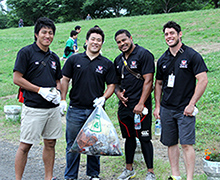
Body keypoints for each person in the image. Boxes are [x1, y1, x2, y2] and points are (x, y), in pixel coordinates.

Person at [60, 27, 118, 180]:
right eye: (93, 39)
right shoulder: (74, 59)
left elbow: (111, 84)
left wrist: (104, 98)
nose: (95, 42)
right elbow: (64, 79)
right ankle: (71, 176)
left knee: (94, 143)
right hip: (75, 109)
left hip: (96, 111)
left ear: (102, 43)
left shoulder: (106, 63)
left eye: (99, 40)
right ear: (86, 41)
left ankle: (93, 174)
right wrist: (62, 99)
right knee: (72, 144)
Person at [153, 21, 208, 180]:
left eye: (172, 33)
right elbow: (158, 83)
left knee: (186, 144)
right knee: (170, 143)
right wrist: (157, 106)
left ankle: (189, 178)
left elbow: (203, 80)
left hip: (185, 109)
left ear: (180, 34)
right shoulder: (163, 59)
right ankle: (175, 176)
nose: (169, 37)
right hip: (167, 109)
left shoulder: (192, 55)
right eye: (166, 34)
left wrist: (191, 104)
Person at [13, 17, 63, 180]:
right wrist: (39, 90)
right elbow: (17, 78)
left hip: (52, 110)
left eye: (50, 33)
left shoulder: (54, 57)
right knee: (25, 145)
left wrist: (60, 97)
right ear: (36, 34)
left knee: (50, 143)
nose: (48, 36)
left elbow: (58, 80)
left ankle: (48, 178)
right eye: (44, 32)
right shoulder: (26, 52)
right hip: (33, 108)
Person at [114, 29, 156, 180]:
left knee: (144, 138)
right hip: (125, 106)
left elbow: (149, 81)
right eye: (118, 42)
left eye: (124, 40)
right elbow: (116, 84)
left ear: (131, 38)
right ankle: (128, 169)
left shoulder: (144, 54)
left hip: (141, 106)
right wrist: (118, 93)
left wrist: (141, 103)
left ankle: (150, 172)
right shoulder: (118, 60)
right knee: (129, 138)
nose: (122, 44)